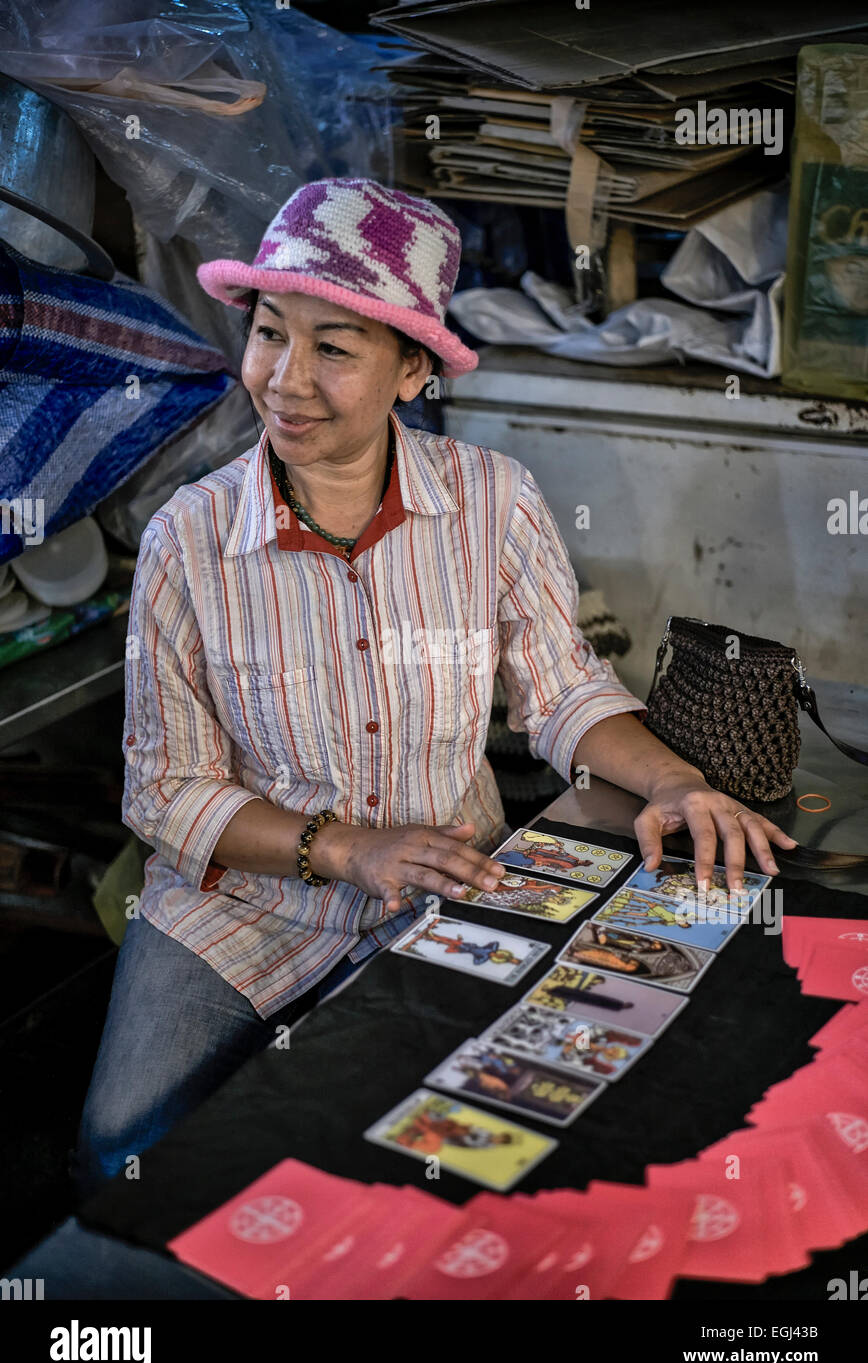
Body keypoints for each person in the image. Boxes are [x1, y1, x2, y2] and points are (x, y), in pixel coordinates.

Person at [71, 178, 796, 1199]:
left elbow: (559, 691)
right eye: (270, 332)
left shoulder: (490, 501)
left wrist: (673, 781)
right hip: (239, 909)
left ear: (411, 368)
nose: (284, 378)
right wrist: (342, 848)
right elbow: (166, 789)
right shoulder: (189, 537)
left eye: (333, 348)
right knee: (125, 1148)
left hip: (448, 883)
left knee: (415, 1144)